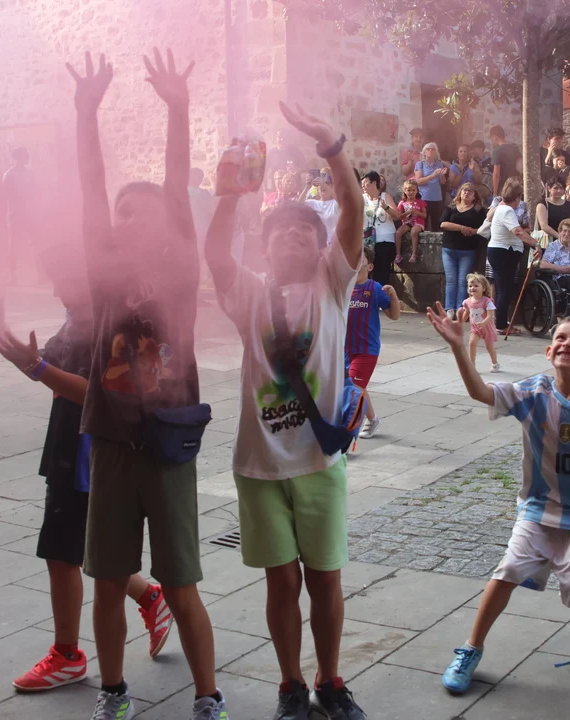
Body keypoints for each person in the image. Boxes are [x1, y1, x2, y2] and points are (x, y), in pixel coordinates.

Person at [67, 49, 227, 720]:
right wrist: (86, 112)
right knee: (107, 582)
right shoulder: (104, 275)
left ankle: (208, 696)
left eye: (141, 211)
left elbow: (175, 186)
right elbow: (89, 189)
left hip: (167, 447)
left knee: (182, 582)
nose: (126, 218)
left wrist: (179, 109)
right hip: (111, 442)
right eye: (121, 212)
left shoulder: (179, 275)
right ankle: (113, 692)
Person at [206, 99, 367, 720]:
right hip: (260, 465)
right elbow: (216, 257)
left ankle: (330, 680)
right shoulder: (250, 294)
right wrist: (228, 197)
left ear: (324, 248)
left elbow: (351, 208)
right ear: (264, 248)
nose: (293, 236)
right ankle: (291, 685)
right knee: (281, 581)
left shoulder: (332, 285)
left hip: (319, 463)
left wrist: (332, 145)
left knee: (325, 578)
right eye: (280, 233)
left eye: (306, 232)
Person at [0, 256, 175, 694]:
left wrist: (38, 368)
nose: (56, 289)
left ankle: (67, 656)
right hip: (67, 447)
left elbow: (96, 393)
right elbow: (42, 365)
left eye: (63, 280)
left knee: (63, 553)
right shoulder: (77, 319)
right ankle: (149, 596)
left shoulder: (106, 325)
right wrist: (3, 335)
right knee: (79, 547)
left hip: (86, 456)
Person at [425, 308, 570, 693]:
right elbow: (481, 392)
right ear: (548, 351)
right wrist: (460, 348)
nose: (567, 344)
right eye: (561, 338)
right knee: (508, 570)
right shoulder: (533, 392)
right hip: (538, 508)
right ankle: (470, 649)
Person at [346, 245, 401, 439]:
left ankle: (346, 432)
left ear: (369, 266)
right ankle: (372, 419)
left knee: (353, 387)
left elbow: (394, 315)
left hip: (366, 350)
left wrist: (393, 296)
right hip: (344, 349)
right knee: (356, 387)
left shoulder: (375, 289)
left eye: (360, 257)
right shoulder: (344, 288)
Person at [487, 179, 537, 335]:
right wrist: (535, 244)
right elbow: (518, 232)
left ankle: (501, 321)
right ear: (516, 197)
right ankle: (501, 325)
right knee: (504, 290)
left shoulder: (502, 209)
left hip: (502, 252)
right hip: (503, 253)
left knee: (503, 289)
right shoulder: (507, 211)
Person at [440, 183, 488, 310]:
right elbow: (443, 224)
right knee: (451, 280)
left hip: (467, 250)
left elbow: (483, 228)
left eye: (470, 191)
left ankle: (461, 308)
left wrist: (473, 231)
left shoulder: (478, 210)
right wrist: (461, 228)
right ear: (460, 193)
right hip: (449, 249)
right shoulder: (451, 207)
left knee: (463, 281)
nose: (466, 192)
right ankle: (449, 308)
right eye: (464, 190)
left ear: (474, 196)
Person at [2, 147, 37, 282]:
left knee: (34, 242)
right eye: (24, 156)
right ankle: (13, 275)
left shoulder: (30, 174)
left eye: (27, 156)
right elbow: (6, 194)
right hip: (15, 213)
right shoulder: (9, 175)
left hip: (29, 212)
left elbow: (35, 190)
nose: (27, 158)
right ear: (17, 158)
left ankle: (40, 274)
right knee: (14, 243)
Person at [362, 171, 399, 286]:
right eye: (362, 184)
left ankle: (382, 297)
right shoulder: (362, 198)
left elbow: (397, 216)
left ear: (374, 183)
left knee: (381, 276)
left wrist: (386, 207)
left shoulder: (385, 197)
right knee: (365, 275)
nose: (363, 186)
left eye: (365, 183)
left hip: (384, 242)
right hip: (367, 242)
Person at [461, 273, 500, 371]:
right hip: (475, 328)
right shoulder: (467, 302)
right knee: (471, 343)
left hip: (487, 328)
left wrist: (483, 323)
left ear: (483, 288)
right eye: (470, 286)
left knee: (489, 347)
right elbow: (467, 312)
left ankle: (495, 363)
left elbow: (490, 316)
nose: (472, 288)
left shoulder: (487, 301)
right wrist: (460, 321)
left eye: (476, 286)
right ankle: (472, 365)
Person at [415, 142, 448, 231]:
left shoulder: (439, 164)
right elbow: (418, 181)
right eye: (428, 149)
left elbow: (443, 182)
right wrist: (432, 176)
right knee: (423, 224)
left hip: (436, 197)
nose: (430, 151)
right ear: (424, 152)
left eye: (433, 149)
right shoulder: (420, 164)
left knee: (436, 224)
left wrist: (442, 175)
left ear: (436, 152)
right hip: (423, 198)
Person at [302, 171, 340, 246]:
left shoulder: (335, 203)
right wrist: (307, 187)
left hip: (334, 244)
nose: (322, 185)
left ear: (332, 186)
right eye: (320, 183)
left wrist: (323, 184)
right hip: (318, 244)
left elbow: (342, 202)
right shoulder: (313, 203)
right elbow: (298, 205)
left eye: (327, 183)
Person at [395, 179, 426, 264]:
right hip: (407, 223)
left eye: (413, 190)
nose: (411, 192)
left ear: (417, 191)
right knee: (398, 233)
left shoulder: (420, 202)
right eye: (409, 190)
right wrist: (407, 213)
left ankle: (414, 254)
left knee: (414, 232)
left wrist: (416, 212)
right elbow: (399, 216)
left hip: (418, 223)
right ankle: (398, 254)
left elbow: (424, 215)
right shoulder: (402, 203)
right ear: (404, 191)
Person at [489, 125, 520, 201]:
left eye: (492, 139)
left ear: (494, 137)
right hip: (516, 186)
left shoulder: (497, 151)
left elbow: (496, 174)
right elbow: (520, 166)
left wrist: (495, 192)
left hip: (503, 187)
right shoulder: (515, 149)